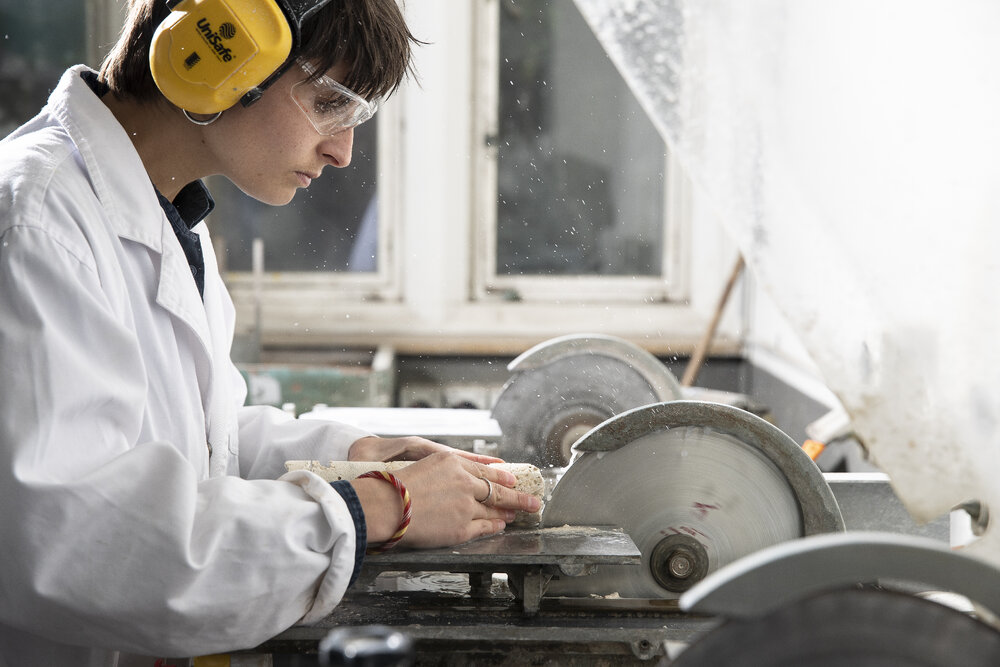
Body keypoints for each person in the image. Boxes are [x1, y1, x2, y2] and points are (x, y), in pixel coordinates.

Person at [0, 0, 540, 664]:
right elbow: (73, 540)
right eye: (329, 103)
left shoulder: (170, 213)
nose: (343, 150)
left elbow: (195, 447)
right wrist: (372, 507)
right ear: (221, 52)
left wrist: (354, 453)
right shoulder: (35, 222)